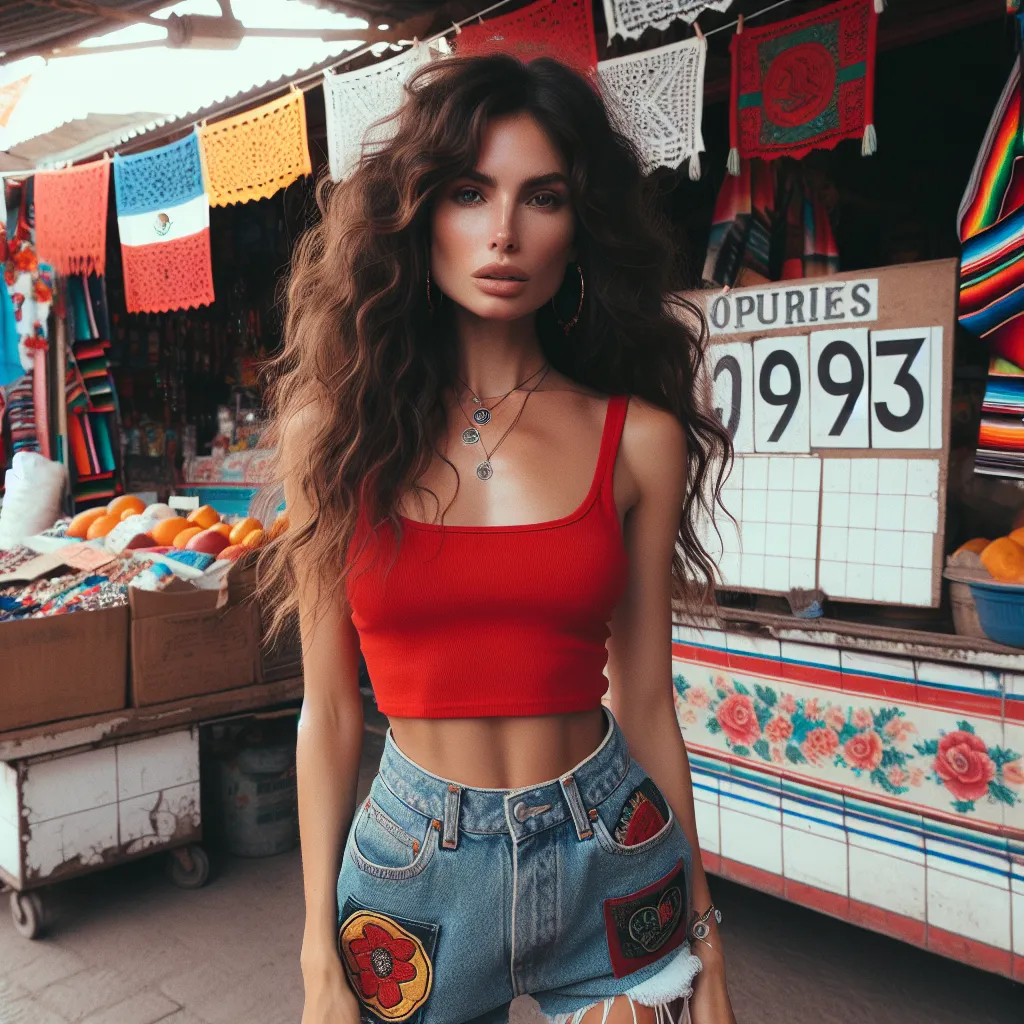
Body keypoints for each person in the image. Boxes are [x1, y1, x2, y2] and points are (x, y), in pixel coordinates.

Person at [260, 53, 735, 1024]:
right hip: (412, 870)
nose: (504, 232)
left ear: (579, 227)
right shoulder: (336, 437)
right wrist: (317, 955)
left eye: (542, 197)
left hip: (611, 842)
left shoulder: (637, 439)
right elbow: (328, 716)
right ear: (419, 210)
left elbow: (646, 702)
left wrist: (704, 930)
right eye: (470, 192)